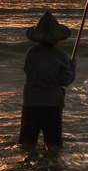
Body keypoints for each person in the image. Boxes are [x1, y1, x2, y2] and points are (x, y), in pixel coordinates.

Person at [19, 10, 77, 148]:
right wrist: (72, 67)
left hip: (31, 102)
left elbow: (28, 71)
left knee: (27, 143)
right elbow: (65, 81)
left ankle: (25, 167)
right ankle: (51, 168)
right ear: (56, 39)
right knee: (53, 145)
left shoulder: (31, 52)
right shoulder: (60, 56)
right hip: (52, 103)